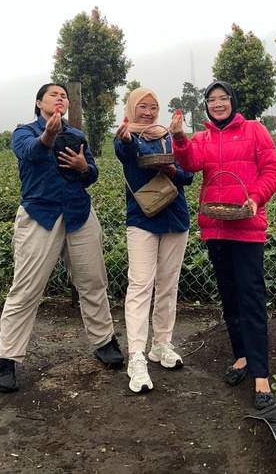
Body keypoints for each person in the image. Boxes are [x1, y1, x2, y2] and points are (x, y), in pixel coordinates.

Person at [0, 82, 123, 392]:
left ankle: (104, 341)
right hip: (41, 216)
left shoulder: (77, 136)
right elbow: (30, 154)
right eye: (54, 94)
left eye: (63, 95)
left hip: (79, 214)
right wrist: (48, 136)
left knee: (93, 281)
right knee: (26, 288)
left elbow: (92, 173)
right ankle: (7, 357)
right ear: (39, 104)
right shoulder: (23, 132)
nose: (60, 97)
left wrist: (83, 167)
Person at [169, 80, 276, 410]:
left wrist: (256, 198)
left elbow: (272, 170)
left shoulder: (255, 131)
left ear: (233, 101)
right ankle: (241, 357)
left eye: (223, 98)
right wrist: (178, 137)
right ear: (206, 106)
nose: (217, 104)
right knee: (230, 297)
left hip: (246, 227)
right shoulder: (203, 138)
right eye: (211, 99)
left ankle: (261, 374)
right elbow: (189, 164)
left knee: (251, 297)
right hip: (216, 227)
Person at [114, 87, 193, 394]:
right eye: (142, 106)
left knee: (168, 284)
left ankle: (161, 344)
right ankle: (136, 355)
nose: (147, 112)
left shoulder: (169, 137)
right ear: (132, 108)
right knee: (140, 286)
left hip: (175, 216)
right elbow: (127, 155)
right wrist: (129, 143)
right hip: (142, 219)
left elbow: (187, 176)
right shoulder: (125, 136)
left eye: (152, 107)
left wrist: (173, 166)